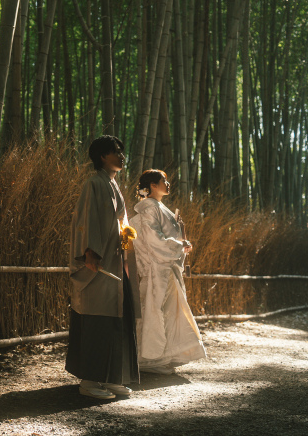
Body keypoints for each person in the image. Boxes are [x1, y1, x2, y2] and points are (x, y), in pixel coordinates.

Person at [66, 136, 139, 399]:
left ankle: (111, 378)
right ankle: (90, 380)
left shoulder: (113, 185)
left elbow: (118, 221)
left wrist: (126, 235)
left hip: (115, 261)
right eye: (115, 152)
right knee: (97, 319)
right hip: (100, 263)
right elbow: (85, 220)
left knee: (117, 320)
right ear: (101, 157)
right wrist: (89, 252)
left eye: (121, 151)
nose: (122, 156)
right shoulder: (94, 183)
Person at [128, 170, 206, 374]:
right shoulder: (149, 208)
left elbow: (166, 238)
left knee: (167, 312)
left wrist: (182, 244)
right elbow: (154, 239)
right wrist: (178, 246)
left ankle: (162, 357)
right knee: (155, 312)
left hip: (166, 268)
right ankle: (150, 360)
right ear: (153, 185)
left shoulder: (160, 208)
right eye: (164, 180)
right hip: (156, 268)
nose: (168, 183)